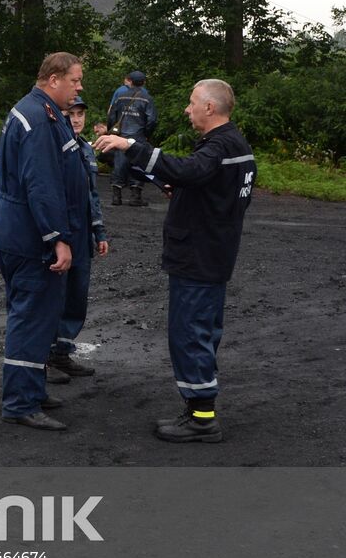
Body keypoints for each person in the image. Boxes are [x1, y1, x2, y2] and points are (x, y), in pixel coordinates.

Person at [93, 79, 255, 443]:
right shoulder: (233, 145)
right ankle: (198, 410)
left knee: (190, 333)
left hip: (198, 257)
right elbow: (213, 187)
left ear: (210, 108)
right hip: (213, 254)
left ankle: (201, 419)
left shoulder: (220, 146)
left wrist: (130, 145)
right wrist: (183, 189)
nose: (187, 108)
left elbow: (188, 171)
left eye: (192, 102)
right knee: (202, 331)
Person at [0, 52, 90, 431]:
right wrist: (58, 238)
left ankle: (32, 389)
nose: (79, 87)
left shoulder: (42, 113)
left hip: (23, 231)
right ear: (53, 79)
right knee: (30, 319)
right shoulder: (37, 118)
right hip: (30, 237)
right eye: (75, 80)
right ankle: (19, 403)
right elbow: (42, 185)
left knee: (40, 317)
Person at [47, 95, 110, 383]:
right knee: (52, 295)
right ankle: (42, 358)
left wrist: (99, 231)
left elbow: (92, 196)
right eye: (71, 113)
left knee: (76, 295)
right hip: (61, 231)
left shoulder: (86, 149)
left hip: (83, 232)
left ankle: (62, 352)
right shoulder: (53, 146)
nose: (76, 119)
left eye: (81, 114)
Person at [105, 70, 157, 206]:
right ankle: (135, 197)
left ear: (130, 82)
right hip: (138, 136)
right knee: (138, 163)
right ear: (144, 82)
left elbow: (111, 116)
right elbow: (152, 120)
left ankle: (116, 197)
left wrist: (113, 133)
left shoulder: (120, 96)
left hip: (121, 134)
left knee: (119, 163)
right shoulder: (147, 98)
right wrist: (146, 134)